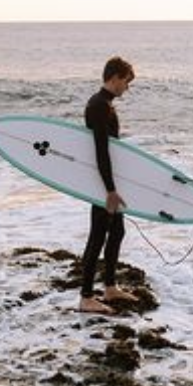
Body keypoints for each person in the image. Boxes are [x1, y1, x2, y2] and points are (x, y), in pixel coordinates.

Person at [79, 56, 139, 315]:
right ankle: (85, 297)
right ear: (114, 77)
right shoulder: (99, 106)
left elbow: (111, 151)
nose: (127, 88)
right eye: (126, 82)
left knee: (116, 233)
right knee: (98, 236)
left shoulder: (104, 103)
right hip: (103, 183)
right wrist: (110, 190)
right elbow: (101, 151)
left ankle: (110, 286)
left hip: (108, 180)